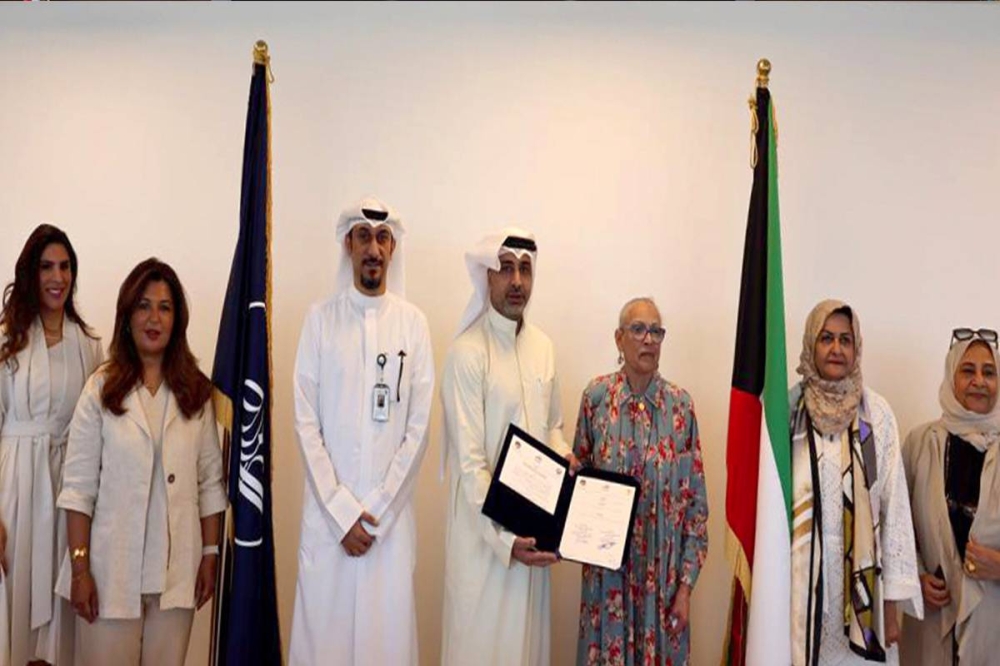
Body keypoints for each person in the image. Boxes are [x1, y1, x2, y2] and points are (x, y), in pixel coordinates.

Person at [56, 258, 226, 666]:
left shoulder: (196, 393)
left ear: (177, 320)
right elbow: (78, 489)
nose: (154, 318)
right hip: (108, 576)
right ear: (127, 315)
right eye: (144, 306)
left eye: (165, 308)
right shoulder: (99, 390)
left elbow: (210, 482)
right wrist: (80, 570)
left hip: (176, 576)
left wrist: (210, 553)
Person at [288, 197, 434, 666]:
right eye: (364, 237)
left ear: (393, 248)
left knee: (385, 644)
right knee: (324, 646)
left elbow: (418, 429)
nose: (374, 249)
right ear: (348, 245)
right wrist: (341, 513)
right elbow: (305, 422)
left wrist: (376, 513)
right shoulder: (319, 321)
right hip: (329, 525)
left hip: (387, 528)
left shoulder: (413, 325)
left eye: (382, 238)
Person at [440, 227, 574, 666]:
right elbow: (470, 463)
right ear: (488, 276)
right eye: (506, 268)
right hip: (484, 545)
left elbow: (552, 426)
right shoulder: (466, 352)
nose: (517, 281)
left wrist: (564, 454)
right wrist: (504, 539)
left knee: (527, 652)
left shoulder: (543, 348)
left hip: (532, 538)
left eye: (525, 269)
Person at [572, 297, 708, 665]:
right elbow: (577, 482)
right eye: (638, 329)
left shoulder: (681, 407)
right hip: (607, 584)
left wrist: (685, 588)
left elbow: (696, 508)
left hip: (662, 586)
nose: (649, 339)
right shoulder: (596, 399)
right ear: (619, 338)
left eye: (656, 331)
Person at [789, 299, 922, 666]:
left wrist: (891, 606)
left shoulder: (876, 414)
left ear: (856, 347)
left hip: (865, 589)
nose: (836, 348)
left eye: (845, 340)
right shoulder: (791, 411)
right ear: (811, 343)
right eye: (826, 338)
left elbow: (894, 508)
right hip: (801, 583)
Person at [0, 223, 103, 666]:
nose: (57, 277)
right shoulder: (6, 339)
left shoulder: (89, 346)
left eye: (64, 267)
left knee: (61, 614)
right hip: (14, 490)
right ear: (31, 273)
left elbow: (96, 432)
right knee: (14, 601)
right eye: (46, 267)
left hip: (66, 492)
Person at [900, 328, 1000, 665]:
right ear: (951, 376)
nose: (979, 381)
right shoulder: (919, 443)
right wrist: (915, 576)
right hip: (932, 623)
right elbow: (894, 527)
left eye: (989, 372)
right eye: (967, 370)